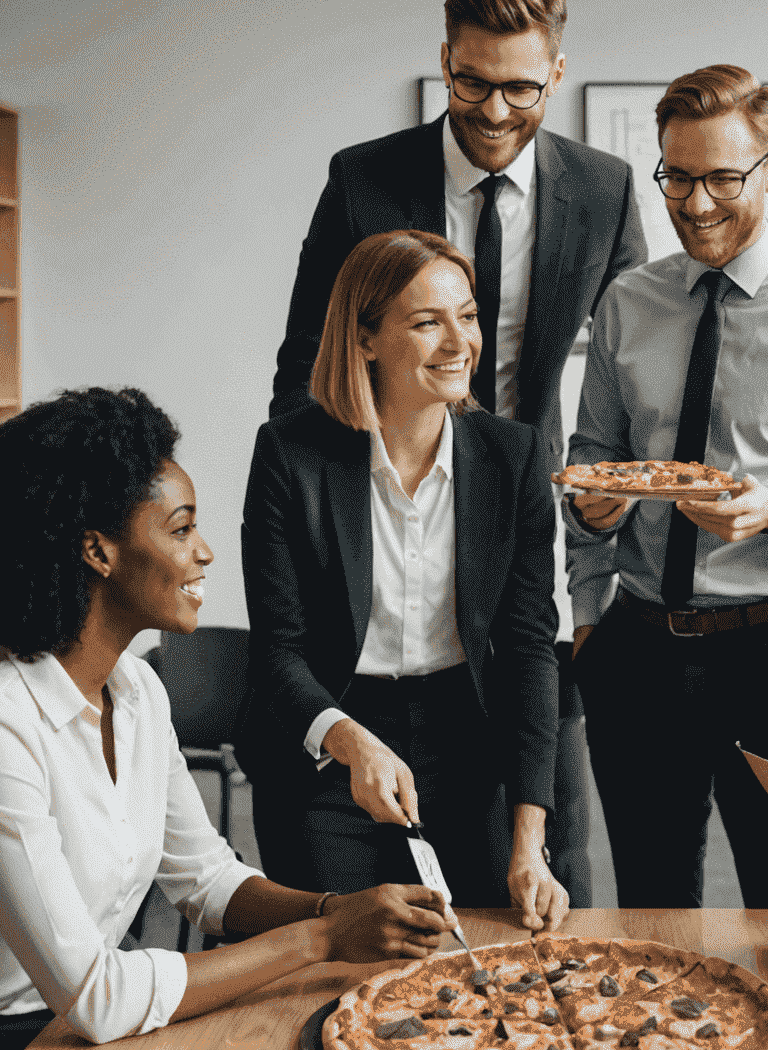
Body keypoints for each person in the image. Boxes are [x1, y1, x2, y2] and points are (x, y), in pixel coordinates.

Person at [0, 386, 452, 1050]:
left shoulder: (138, 690)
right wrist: (322, 939)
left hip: (70, 1041)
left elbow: (207, 883)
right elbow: (96, 995)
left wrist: (336, 909)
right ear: (98, 550)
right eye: (181, 529)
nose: (204, 552)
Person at [270, 0, 647, 908]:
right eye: (470, 82)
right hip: (382, 471)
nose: (491, 109)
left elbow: (637, 357)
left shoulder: (601, 188)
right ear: (445, 60)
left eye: (520, 87)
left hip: (520, 489)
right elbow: (305, 353)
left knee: (546, 811)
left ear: (556, 74)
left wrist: (622, 482)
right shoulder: (364, 179)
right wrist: (312, 496)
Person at [566, 65, 768, 909]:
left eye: (723, 177)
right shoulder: (627, 303)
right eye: (676, 176)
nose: (697, 202)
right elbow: (591, 458)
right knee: (651, 906)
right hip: (637, 648)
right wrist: (587, 566)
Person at [241, 230, 569, 930]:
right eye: (427, 322)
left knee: (490, 959)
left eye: (468, 315)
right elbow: (278, 649)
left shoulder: (514, 458)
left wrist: (530, 840)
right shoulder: (289, 455)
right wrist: (350, 740)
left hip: (467, 737)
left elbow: (529, 649)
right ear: (365, 340)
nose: (459, 343)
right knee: (346, 966)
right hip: (331, 742)